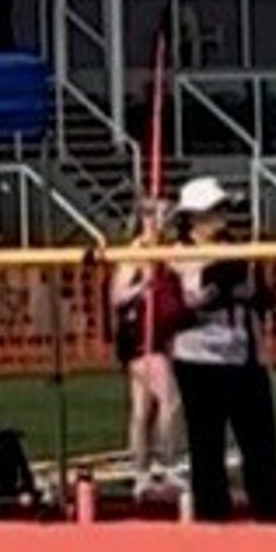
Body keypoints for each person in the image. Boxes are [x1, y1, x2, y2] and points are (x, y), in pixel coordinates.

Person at [168, 175, 276, 524]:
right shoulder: (178, 253)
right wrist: (221, 278)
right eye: (214, 210)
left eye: (223, 209)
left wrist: (245, 285)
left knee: (259, 438)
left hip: (244, 355)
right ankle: (212, 510)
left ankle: (268, 507)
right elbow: (193, 297)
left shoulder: (235, 248)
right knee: (207, 440)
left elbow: (257, 293)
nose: (222, 217)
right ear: (194, 216)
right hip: (199, 358)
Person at [109, 198, 184, 493]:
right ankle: (169, 465)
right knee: (170, 399)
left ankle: (140, 473)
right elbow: (117, 296)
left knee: (143, 408)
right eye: (163, 215)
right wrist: (143, 286)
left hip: (158, 337)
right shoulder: (137, 253)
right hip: (141, 339)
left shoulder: (163, 251)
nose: (168, 221)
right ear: (148, 219)